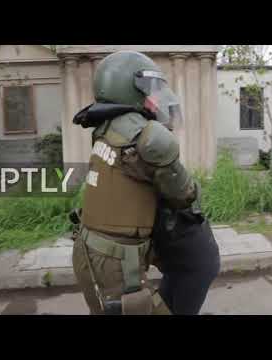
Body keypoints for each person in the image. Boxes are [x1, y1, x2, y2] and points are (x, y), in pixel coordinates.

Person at [70, 51, 217, 315]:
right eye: (148, 88)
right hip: (116, 262)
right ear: (129, 89)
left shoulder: (105, 128)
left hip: (90, 249)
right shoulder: (148, 137)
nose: (154, 97)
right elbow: (183, 195)